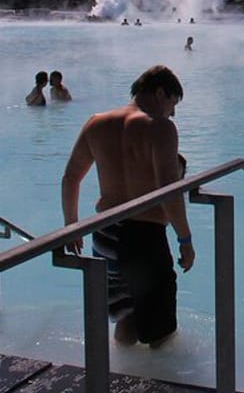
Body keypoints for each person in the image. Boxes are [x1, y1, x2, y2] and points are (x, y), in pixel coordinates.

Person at [62, 65, 194, 346]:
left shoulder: (96, 123)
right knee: (160, 332)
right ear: (160, 92)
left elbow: (71, 176)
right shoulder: (159, 127)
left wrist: (71, 226)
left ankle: (121, 377)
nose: (173, 113)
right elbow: (168, 191)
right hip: (143, 237)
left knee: (125, 317)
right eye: (173, 103)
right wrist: (185, 239)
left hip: (104, 231)